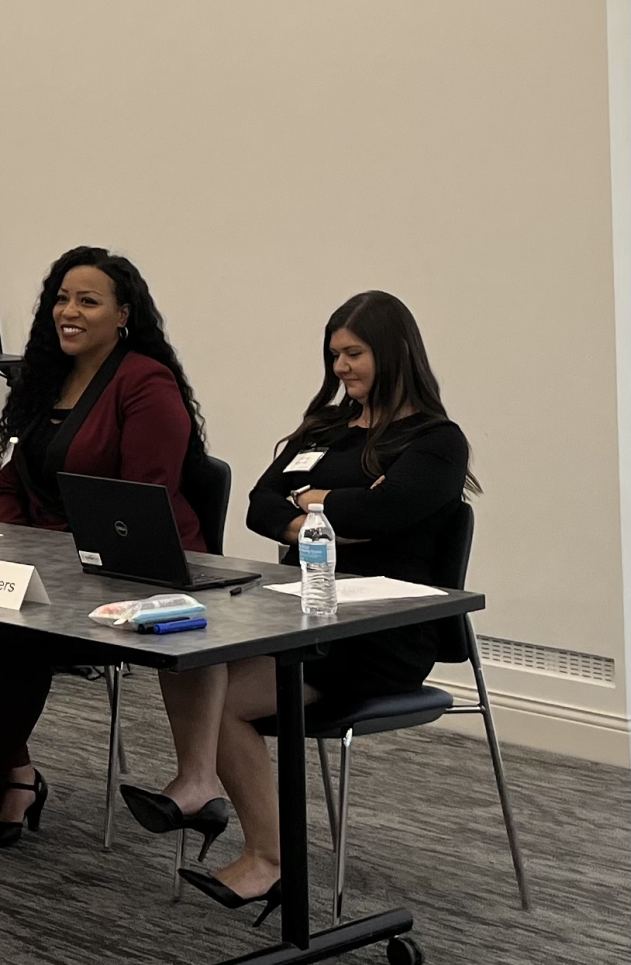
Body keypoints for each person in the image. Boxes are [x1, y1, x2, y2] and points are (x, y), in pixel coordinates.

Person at [121, 291, 477, 923]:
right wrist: (324, 513)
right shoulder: (325, 430)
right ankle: (201, 788)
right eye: (334, 354)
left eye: (354, 353)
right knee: (186, 646)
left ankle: (267, 857)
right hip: (299, 611)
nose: (340, 367)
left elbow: (388, 513)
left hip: (380, 633)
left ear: (393, 353)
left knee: (226, 701)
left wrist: (313, 502)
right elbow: (261, 504)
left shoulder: (436, 442)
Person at [0, 246, 208, 848]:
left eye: (87, 300)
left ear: (123, 313)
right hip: (50, 559)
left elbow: (137, 504)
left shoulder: (144, 382)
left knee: (14, 628)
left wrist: (45, 555)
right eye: (61, 298)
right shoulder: (43, 379)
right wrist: (14, 544)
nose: (68, 312)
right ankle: (17, 774)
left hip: (131, 568)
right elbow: (9, 481)